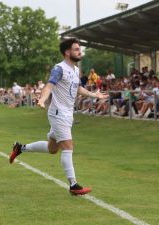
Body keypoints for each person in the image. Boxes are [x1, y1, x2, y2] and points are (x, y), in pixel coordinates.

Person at [9, 38, 108, 195]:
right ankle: (73, 185)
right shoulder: (59, 68)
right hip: (58, 114)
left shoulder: (75, 70)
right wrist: (41, 99)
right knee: (68, 147)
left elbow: (78, 88)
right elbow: (49, 86)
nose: (79, 51)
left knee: (52, 148)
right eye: (76, 49)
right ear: (67, 52)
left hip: (67, 114)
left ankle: (20, 148)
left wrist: (94, 94)